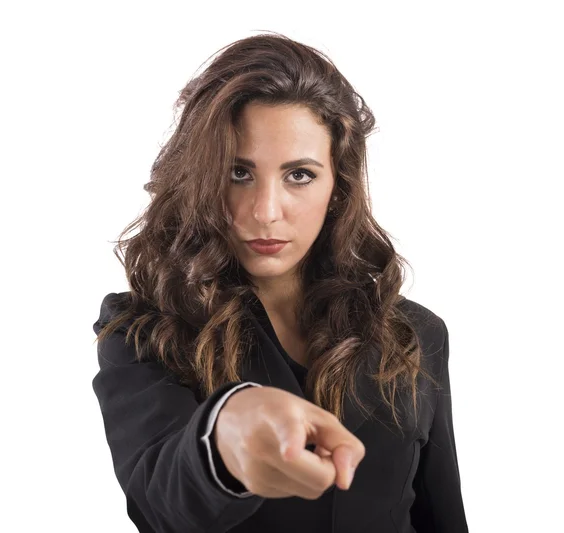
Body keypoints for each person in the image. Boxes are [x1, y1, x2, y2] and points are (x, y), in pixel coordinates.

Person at [91, 32, 468, 533]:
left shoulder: (417, 335)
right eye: (238, 173)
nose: (266, 213)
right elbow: (162, 501)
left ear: (339, 186)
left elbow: (442, 517)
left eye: (300, 175)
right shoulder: (141, 331)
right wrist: (225, 434)